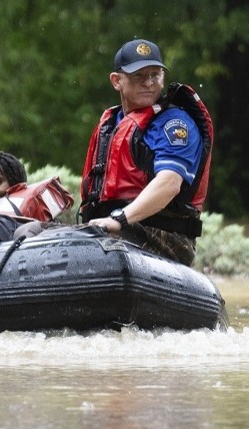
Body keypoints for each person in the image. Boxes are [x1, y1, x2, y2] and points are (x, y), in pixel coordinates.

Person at [79, 39, 213, 266]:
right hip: (111, 228)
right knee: (32, 230)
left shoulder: (175, 124)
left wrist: (120, 219)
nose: (149, 83)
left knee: (98, 244)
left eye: (155, 74)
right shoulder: (111, 124)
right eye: (139, 76)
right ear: (116, 81)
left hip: (164, 234)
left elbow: (169, 184)